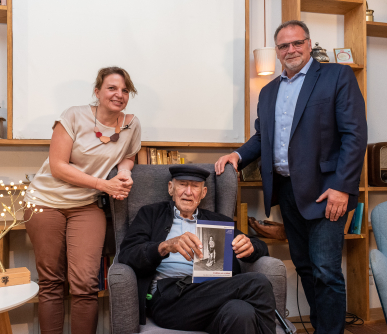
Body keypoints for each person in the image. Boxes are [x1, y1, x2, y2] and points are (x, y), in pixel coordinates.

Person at [215, 20, 367, 334]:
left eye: (297, 43)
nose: (291, 50)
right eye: (284, 46)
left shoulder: (337, 76)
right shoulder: (269, 91)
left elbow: (355, 135)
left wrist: (342, 186)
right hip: (287, 190)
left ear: (309, 44)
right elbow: (262, 137)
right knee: (306, 267)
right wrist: (238, 156)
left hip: (327, 191)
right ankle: (321, 327)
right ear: (278, 51)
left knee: (326, 271)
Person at [24, 66, 141, 334]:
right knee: (51, 282)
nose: (119, 94)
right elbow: (58, 166)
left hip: (86, 206)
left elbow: (129, 155)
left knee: (86, 284)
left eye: (124, 90)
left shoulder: (131, 124)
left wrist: (123, 172)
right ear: (97, 92)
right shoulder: (73, 115)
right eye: (112, 88)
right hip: (45, 202)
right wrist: (104, 184)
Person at [119, 165, 276, 334]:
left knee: (241, 312)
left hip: (213, 296)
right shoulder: (150, 214)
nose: (188, 192)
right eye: (182, 184)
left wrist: (251, 246)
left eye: (195, 186)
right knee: (258, 283)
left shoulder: (218, 221)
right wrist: (164, 247)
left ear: (203, 193)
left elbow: (260, 247)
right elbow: (127, 255)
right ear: (170, 188)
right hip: (170, 299)